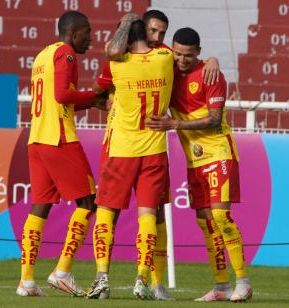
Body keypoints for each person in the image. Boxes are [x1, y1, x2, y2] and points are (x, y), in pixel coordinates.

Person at [102, 10, 222, 300]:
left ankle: (154, 283)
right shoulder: (123, 60)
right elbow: (100, 91)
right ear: (143, 31)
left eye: (162, 33)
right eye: (153, 32)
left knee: (155, 214)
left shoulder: (165, 56)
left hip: (153, 146)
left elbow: (189, 59)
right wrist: (109, 102)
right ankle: (104, 276)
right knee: (113, 213)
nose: (158, 38)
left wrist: (213, 61)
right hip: (119, 144)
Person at [147, 27, 252, 303]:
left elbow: (214, 119)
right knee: (205, 223)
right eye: (178, 54)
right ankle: (221, 285)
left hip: (219, 153)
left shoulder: (211, 74)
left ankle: (243, 281)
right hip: (194, 159)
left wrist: (174, 124)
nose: (182, 60)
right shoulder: (167, 65)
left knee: (221, 217)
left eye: (188, 56)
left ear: (199, 53)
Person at [84, 19, 174, 301]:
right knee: (147, 214)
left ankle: (102, 277)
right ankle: (141, 279)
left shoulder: (117, 64)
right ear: (147, 35)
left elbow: (111, 50)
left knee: (107, 212)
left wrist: (124, 22)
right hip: (154, 148)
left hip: (122, 148)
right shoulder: (165, 57)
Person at [16, 10, 103, 297]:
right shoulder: (66, 53)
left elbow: (58, 99)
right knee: (89, 202)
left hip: (37, 139)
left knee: (40, 206)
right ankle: (62, 271)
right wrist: (95, 96)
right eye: (87, 31)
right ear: (73, 32)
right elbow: (63, 96)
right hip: (59, 138)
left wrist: (91, 103)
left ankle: (26, 280)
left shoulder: (42, 55)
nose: (91, 37)